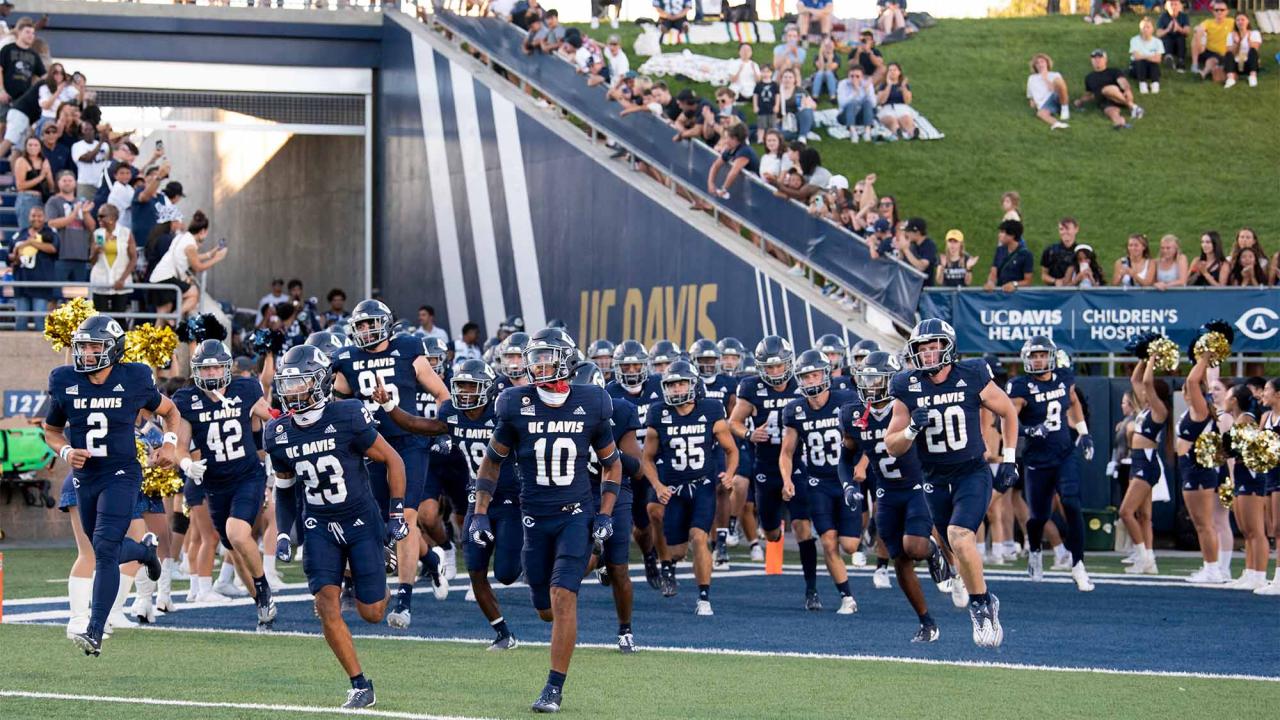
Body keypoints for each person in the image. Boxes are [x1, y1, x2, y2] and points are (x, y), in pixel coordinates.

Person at [469, 328, 623, 713]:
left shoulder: (592, 401)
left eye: (546, 357)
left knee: (562, 596)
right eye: (533, 357)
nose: (536, 364)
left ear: (567, 361)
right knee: (543, 606)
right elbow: (492, 460)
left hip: (575, 514)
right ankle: (586, 567)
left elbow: (612, 463)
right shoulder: (513, 403)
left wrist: (605, 513)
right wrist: (479, 514)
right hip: (534, 519)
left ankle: (553, 687)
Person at [266, 344, 408, 709]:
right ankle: (360, 684)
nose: (291, 391)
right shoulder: (277, 432)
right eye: (288, 383)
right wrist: (284, 532)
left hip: (361, 520)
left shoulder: (346, 415)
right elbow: (284, 489)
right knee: (326, 603)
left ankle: (373, 566)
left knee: (372, 612)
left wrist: (395, 514)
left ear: (319, 383)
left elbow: (393, 460)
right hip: (318, 523)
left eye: (299, 383)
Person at [43, 316, 178, 655]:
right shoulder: (64, 380)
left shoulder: (133, 377)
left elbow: (170, 410)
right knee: (106, 547)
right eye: (83, 346)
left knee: (103, 547)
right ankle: (145, 552)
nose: (87, 353)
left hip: (121, 473)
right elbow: (51, 430)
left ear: (114, 348)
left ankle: (95, 629)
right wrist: (66, 451)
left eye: (95, 346)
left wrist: (171, 443)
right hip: (85, 476)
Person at [885, 319, 1019, 648]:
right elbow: (892, 445)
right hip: (932, 477)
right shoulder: (906, 385)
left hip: (971, 471)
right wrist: (911, 431)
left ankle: (982, 606)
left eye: (934, 347)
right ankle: (975, 590)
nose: (928, 354)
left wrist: (1010, 457)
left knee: (960, 536)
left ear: (948, 347)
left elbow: (1008, 411)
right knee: (950, 547)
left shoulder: (972, 373)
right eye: (922, 348)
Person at [377, 359, 522, 651]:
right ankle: (503, 633)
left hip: (509, 498)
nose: (466, 392)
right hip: (475, 499)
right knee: (476, 571)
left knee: (506, 573)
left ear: (489, 388)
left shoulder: (503, 412)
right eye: (461, 386)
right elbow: (419, 425)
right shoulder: (452, 413)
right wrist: (391, 407)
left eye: (472, 385)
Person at [330, 299, 450, 629]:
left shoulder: (409, 347)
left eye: (371, 323)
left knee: (405, 517)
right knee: (380, 522)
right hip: (372, 447)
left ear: (385, 323)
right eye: (362, 325)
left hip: (409, 442)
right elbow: (335, 404)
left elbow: (443, 395)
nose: (366, 330)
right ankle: (431, 556)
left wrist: (441, 428)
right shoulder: (347, 359)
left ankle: (404, 598)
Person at [172, 340, 278, 630]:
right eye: (206, 368)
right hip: (214, 484)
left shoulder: (245, 389)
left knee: (237, 532)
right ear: (196, 371)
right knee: (234, 547)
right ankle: (261, 603)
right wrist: (186, 464)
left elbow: (271, 417)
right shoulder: (186, 399)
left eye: (217, 366)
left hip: (247, 476)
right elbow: (180, 446)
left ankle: (264, 588)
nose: (212, 373)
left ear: (227, 366)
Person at [844, 351, 949, 641]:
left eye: (876, 378)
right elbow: (846, 456)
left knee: (914, 547)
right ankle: (927, 622)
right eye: (866, 378)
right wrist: (848, 485)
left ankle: (933, 551)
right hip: (885, 492)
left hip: (916, 486)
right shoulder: (854, 413)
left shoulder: (906, 405)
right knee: (899, 561)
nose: (870, 384)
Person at [730, 337, 824, 610]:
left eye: (778, 366)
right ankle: (771, 530)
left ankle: (812, 590)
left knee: (802, 526)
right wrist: (748, 433)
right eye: (768, 368)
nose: (774, 372)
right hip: (766, 466)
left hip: (798, 464)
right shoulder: (751, 387)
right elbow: (733, 422)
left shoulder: (802, 383)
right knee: (770, 533)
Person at [643, 360, 738, 616]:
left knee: (699, 537)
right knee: (677, 551)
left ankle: (704, 597)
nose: (676, 389)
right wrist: (657, 484)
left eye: (681, 383)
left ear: (693, 384)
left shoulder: (711, 409)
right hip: (673, 488)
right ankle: (667, 564)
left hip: (702, 485)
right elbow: (647, 457)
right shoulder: (658, 413)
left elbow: (731, 450)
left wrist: (729, 475)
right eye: (671, 385)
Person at [1007, 336, 1095, 592]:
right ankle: (1035, 550)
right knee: (1039, 516)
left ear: (1051, 356)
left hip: (1065, 452)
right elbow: (1009, 421)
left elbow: (1074, 402)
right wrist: (1030, 430)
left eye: (1042, 355)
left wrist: (1084, 433)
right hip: (1037, 459)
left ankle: (1078, 564)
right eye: (1033, 355)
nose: (1038, 359)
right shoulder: (1020, 386)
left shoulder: (1064, 377)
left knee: (1071, 502)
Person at [780, 351, 860, 614]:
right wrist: (787, 479)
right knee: (827, 540)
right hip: (817, 482)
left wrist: (862, 464)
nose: (811, 380)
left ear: (826, 374)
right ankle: (846, 597)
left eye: (815, 374)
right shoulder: (795, 409)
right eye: (805, 376)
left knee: (849, 545)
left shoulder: (846, 400)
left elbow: (868, 437)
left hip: (845, 479)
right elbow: (787, 452)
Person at [1174, 350, 1228, 584]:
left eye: (1188, 389)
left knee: (1205, 523)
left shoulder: (1201, 409)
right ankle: (1209, 566)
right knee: (1199, 523)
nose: (1185, 390)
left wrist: (1204, 358)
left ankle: (1214, 569)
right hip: (1189, 468)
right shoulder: (1191, 411)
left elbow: (1192, 381)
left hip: (1199, 469)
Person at [1118, 351, 1166, 575]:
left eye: (1150, 391)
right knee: (1143, 516)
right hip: (1138, 461)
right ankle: (1150, 560)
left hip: (1146, 463)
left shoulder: (1160, 411)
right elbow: (1136, 380)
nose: (1144, 392)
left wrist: (1154, 359)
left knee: (1125, 512)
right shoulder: (1144, 409)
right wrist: (1143, 357)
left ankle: (1143, 557)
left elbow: (1146, 381)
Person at [148, 210, 225, 321]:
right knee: (194, 294)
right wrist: (218, 258)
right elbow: (197, 266)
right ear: (203, 231)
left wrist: (212, 253)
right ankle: (174, 317)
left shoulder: (184, 237)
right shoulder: (190, 245)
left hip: (157, 277)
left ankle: (157, 334)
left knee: (162, 315)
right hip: (165, 278)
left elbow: (193, 258)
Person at [6, 204, 57, 330]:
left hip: (41, 286)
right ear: (29, 217)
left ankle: (42, 350)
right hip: (21, 284)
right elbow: (10, 256)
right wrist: (15, 257)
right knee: (20, 320)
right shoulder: (19, 234)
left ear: (44, 217)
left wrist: (31, 242)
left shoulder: (49, 233)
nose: (36, 218)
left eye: (39, 216)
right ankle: (17, 350)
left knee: (40, 321)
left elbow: (53, 249)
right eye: (33, 215)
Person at [0, 18, 46, 159]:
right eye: (27, 32)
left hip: (22, 101)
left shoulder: (34, 55)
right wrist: (1, 90)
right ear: (19, 32)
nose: (30, 35)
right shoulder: (8, 49)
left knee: (17, 139)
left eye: (32, 33)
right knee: (2, 126)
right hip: (6, 96)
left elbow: (43, 76)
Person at [1074, 49, 1144, 130]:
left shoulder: (1113, 71)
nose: (1097, 60)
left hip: (1120, 96)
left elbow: (1123, 82)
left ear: (1105, 60)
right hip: (1104, 101)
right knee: (1111, 112)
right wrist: (1080, 101)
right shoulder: (1089, 77)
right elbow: (1089, 94)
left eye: (1100, 58)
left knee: (1107, 89)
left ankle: (1133, 106)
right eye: (1094, 58)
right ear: (1091, 61)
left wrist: (1127, 90)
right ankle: (1121, 123)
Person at [87, 204, 135, 314]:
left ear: (112, 218)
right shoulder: (98, 234)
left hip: (120, 281)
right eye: (98, 216)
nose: (99, 218)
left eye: (102, 216)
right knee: (100, 317)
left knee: (119, 318)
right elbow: (92, 261)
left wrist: (122, 279)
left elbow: (133, 259)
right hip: (101, 280)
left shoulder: (125, 233)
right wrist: (95, 251)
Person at [706, 122, 757, 199]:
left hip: (754, 190)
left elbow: (734, 172)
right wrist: (710, 183)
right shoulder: (730, 149)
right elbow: (716, 165)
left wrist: (724, 189)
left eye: (728, 138)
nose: (726, 141)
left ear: (735, 139)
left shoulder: (745, 151)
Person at [13, 135, 52, 230]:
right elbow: (20, 186)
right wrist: (41, 177)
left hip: (42, 199)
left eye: (35, 145)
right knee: (27, 231)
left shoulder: (44, 161)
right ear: (25, 147)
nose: (32, 147)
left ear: (40, 147)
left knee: (41, 232)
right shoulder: (21, 161)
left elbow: (52, 186)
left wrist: (48, 174)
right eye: (30, 145)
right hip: (27, 199)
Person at [984, 219, 1033, 292]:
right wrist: (990, 282)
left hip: (1017, 296)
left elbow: (1028, 281)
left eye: (1002, 232)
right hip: (1000, 295)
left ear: (1012, 235)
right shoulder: (1000, 250)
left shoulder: (1026, 254)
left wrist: (1014, 284)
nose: (999, 235)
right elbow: (993, 271)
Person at [1026, 53, 1070, 130]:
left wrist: (1045, 78)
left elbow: (1053, 89)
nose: (1040, 64)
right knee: (1040, 113)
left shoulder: (1054, 74)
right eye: (1037, 63)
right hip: (1044, 104)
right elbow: (1030, 94)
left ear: (1047, 63)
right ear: (1035, 66)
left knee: (1058, 81)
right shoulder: (1032, 78)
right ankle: (1057, 123)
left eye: (1042, 61)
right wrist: (1032, 100)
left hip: (1056, 97)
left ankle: (1064, 109)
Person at [1192, 1, 1232, 82]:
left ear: (1227, 11)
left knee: (1212, 60)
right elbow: (1198, 28)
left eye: (1222, 10)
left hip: (1222, 54)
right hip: (1207, 50)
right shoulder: (1208, 22)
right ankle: (1194, 64)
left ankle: (1203, 73)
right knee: (1196, 35)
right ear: (1213, 11)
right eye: (1216, 10)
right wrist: (1199, 31)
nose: (1219, 12)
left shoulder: (1232, 22)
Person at [875, 63, 916, 140]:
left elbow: (908, 101)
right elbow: (881, 101)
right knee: (892, 121)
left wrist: (903, 88)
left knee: (906, 119)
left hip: (901, 107)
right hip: (887, 108)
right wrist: (889, 85)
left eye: (895, 70)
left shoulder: (904, 85)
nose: (892, 72)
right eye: (890, 70)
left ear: (899, 72)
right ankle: (897, 132)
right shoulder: (883, 85)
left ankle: (912, 132)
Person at [777, 68, 818, 142]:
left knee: (807, 110)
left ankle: (802, 137)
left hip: (801, 119)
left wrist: (807, 104)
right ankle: (804, 133)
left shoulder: (800, 90)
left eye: (790, 77)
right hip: (786, 122)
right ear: (781, 79)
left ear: (794, 79)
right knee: (780, 135)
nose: (787, 79)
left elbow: (814, 105)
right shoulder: (777, 91)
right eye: (785, 77)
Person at [837, 65, 877, 143]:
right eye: (851, 76)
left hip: (861, 117)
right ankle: (853, 132)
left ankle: (867, 132)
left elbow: (873, 104)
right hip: (845, 116)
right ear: (848, 76)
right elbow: (842, 103)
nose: (854, 78)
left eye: (857, 76)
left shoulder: (867, 85)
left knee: (867, 102)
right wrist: (855, 93)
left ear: (862, 77)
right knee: (852, 103)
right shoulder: (843, 84)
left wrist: (867, 91)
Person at [1224, 12, 1262, 89]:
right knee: (1228, 53)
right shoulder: (1231, 35)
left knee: (1253, 50)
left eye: (1242, 20)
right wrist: (1237, 42)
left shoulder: (1254, 33)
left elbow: (1255, 48)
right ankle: (1230, 78)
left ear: (1247, 21)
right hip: (1235, 64)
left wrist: (1248, 39)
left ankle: (1252, 77)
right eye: (1238, 20)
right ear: (1235, 22)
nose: (1240, 22)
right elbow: (1231, 53)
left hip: (1249, 63)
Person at [896, 217, 938, 285]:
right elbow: (899, 262)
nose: (906, 234)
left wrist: (905, 250)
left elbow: (921, 266)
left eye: (909, 231)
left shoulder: (929, 246)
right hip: (909, 287)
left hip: (924, 289)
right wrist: (901, 250)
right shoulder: (911, 244)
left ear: (917, 233)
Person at [1040, 217, 1081, 285]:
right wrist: (1055, 281)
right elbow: (1044, 275)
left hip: (1076, 293)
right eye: (1061, 229)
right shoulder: (1050, 251)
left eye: (1067, 228)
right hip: (1054, 292)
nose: (1064, 232)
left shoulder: (1082, 252)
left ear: (1076, 229)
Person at [1129, 17, 1164, 94]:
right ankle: (1142, 84)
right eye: (1143, 27)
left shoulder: (1158, 42)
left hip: (1151, 67)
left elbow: (1158, 59)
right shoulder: (1134, 40)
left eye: (1148, 27)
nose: (1145, 29)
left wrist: (1144, 56)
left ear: (1152, 29)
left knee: (1154, 64)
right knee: (1141, 62)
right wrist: (1150, 56)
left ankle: (1155, 84)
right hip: (1137, 68)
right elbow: (1136, 57)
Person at [1156, 0, 1191, 72]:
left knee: (1181, 38)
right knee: (1167, 39)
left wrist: (1179, 28)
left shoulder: (1184, 16)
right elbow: (1158, 34)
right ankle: (1168, 58)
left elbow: (1187, 32)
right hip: (1167, 43)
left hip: (1179, 43)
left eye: (1176, 4)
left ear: (1180, 6)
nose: (1173, 7)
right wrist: (1168, 29)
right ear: (1166, 6)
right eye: (1171, 5)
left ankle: (1181, 61)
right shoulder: (1163, 17)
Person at [752, 65, 779, 143]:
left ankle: (772, 138)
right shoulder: (759, 84)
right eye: (763, 71)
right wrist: (755, 106)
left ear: (771, 73)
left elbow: (777, 95)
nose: (765, 74)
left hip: (772, 108)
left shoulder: (774, 85)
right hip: (761, 108)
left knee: (772, 125)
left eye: (768, 72)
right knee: (761, 125)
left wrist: (777, 105)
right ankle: (760, 139)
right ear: (760, 73)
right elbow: (755, 95)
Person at [810, 36, 840, 104]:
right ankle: (815, 97)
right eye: (826, 45)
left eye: (830, 44)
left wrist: (830, 57)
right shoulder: (817, 56)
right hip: (818, 78)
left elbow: (829, 69)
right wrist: (821, 53)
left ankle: (833, 97)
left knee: (828, 73)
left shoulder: (836, 57)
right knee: (820, 73)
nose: (828, 46)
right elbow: (821, 68)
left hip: (832, 79)